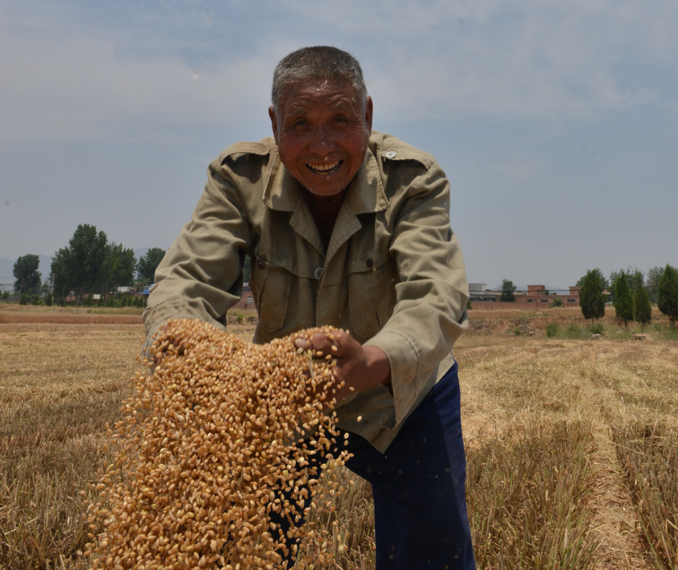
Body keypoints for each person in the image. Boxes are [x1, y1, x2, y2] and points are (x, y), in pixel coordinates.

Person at [143, 46, 475, 569]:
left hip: (399, 394)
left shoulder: (413, 181)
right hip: (282, 396)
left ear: (367, 116)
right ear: (275, 126)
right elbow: (187, 279)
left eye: (340, 120)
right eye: (301, 124)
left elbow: (437, 294)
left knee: (432, 551)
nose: (322, 145)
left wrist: (373, 362)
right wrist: (184, 347)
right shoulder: (239, 180)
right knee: (239, 545)